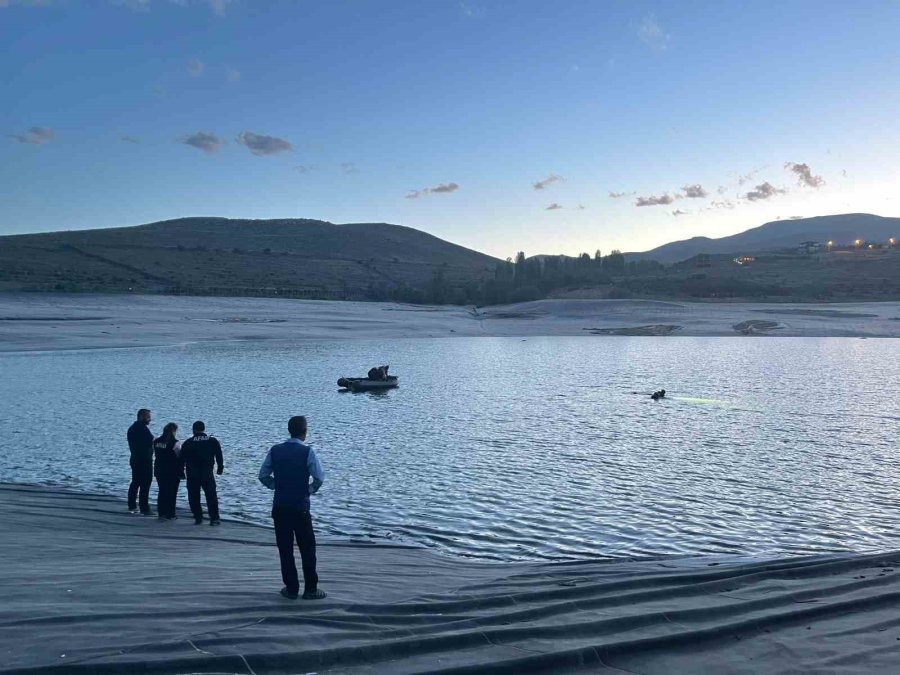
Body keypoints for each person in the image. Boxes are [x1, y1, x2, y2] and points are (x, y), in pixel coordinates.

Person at [258, 415, 326, 600]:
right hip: (300, 506)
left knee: (285, 549)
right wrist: (309, 490)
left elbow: (263, 475)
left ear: (289, 430)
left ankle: (291, 588)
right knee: (307, 548)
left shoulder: (275, 450)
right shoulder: (307, 452)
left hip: (280, 506)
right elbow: (319, 477)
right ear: (305, 432)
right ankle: (311, 589)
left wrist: (276, 486)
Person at [180, 421, 224, 526]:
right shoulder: (212, 441)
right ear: (203, 429)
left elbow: (181, 459)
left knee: (193, 496)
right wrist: (220, 468)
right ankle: (214, 518)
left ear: (193, 430)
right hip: (207, 473)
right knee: (211, 495)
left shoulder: (188, 442)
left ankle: (198, 517)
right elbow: (219, 455)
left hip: (192, 473)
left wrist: (181, 472)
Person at [127, 408, 154, 515]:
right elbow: (150, 441)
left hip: (135, 458)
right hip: (143, 459)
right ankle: (144, 507)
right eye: (148, 417)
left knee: (135, 482)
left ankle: (132, 504)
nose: (150, 419)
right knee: (145, 483)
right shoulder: (141, 429)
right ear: (141, 416)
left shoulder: (133, 428)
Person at [153, 422, 183, 520]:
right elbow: (180, 456)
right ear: (174, 431)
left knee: (162, 491)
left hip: (159, 469)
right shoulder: (175, 443)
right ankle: (170, 514)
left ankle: (161, 513)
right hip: (172, 471)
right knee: (172, 493)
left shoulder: (156, 441)